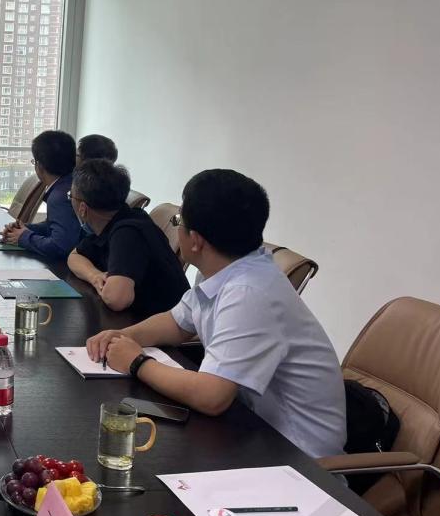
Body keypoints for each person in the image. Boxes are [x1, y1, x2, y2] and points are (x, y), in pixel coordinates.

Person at [85, 169, 346, 458]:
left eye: (179, 222)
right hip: (248, 430)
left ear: (195, 241)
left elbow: (212, 397)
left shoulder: (249, 292)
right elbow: (177, 322)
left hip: (298, 458)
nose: (177, 228)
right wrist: (123, 336)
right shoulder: (225, 268)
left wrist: (136, 362)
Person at [67, 160, 188, 317]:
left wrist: (106, 285)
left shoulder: (128, 233)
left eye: (70, 196)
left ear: (83, 208)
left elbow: (117, 299)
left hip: (168, 327)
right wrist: (95, 276)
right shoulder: (114, 220)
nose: (70, 200)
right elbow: (75, 256)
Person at [0, 130, 79, 261]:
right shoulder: (70, 183)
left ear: (39, 165)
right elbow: (56, 227)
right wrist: (25, 229)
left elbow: (59, 247)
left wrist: (23, 237)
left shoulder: (59, 196)